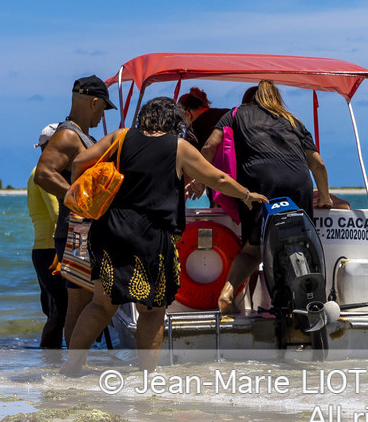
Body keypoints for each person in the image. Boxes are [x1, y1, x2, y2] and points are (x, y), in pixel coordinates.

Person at [64, 96, 266, 374]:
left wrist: (87, 196)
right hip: (150, 237)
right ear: (174, 123)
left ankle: (72, 368)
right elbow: (216, 179)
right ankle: (148, 375)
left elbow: (79, 162)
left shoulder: (120, 138)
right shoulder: (178, 147)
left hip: (109, 231)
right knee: (152, 311)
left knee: (101, 305)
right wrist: (246, 194)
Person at [201, 80, 346, 312]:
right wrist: (326, 198)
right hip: (298, 184)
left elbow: (210, 146)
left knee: (252, 250)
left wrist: (200, 178)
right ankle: (308, 300)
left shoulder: (235, 114)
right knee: (304, 241)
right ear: (277, 98)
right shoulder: (293, 120)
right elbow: (317, 164)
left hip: (260, 186)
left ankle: (227, 294)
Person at [32, 75, 115, 344]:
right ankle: (75, 368)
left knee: (81, 305)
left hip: (80, 232)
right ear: (94, 103)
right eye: (103, 109)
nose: (102, 116)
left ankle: (74, 367)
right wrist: (78, 200)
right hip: (76, 233)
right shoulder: (68, 134)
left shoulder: (81, 135)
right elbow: (43, 173)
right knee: (81, 305)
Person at [26, 123, 69, 348]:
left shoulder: (38, 172)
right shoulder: (44, 174)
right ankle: (48, 355)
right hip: (51, 250)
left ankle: (50, 360)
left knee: (56, 308)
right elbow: (57, 214)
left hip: (43, 249)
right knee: (62, 308)